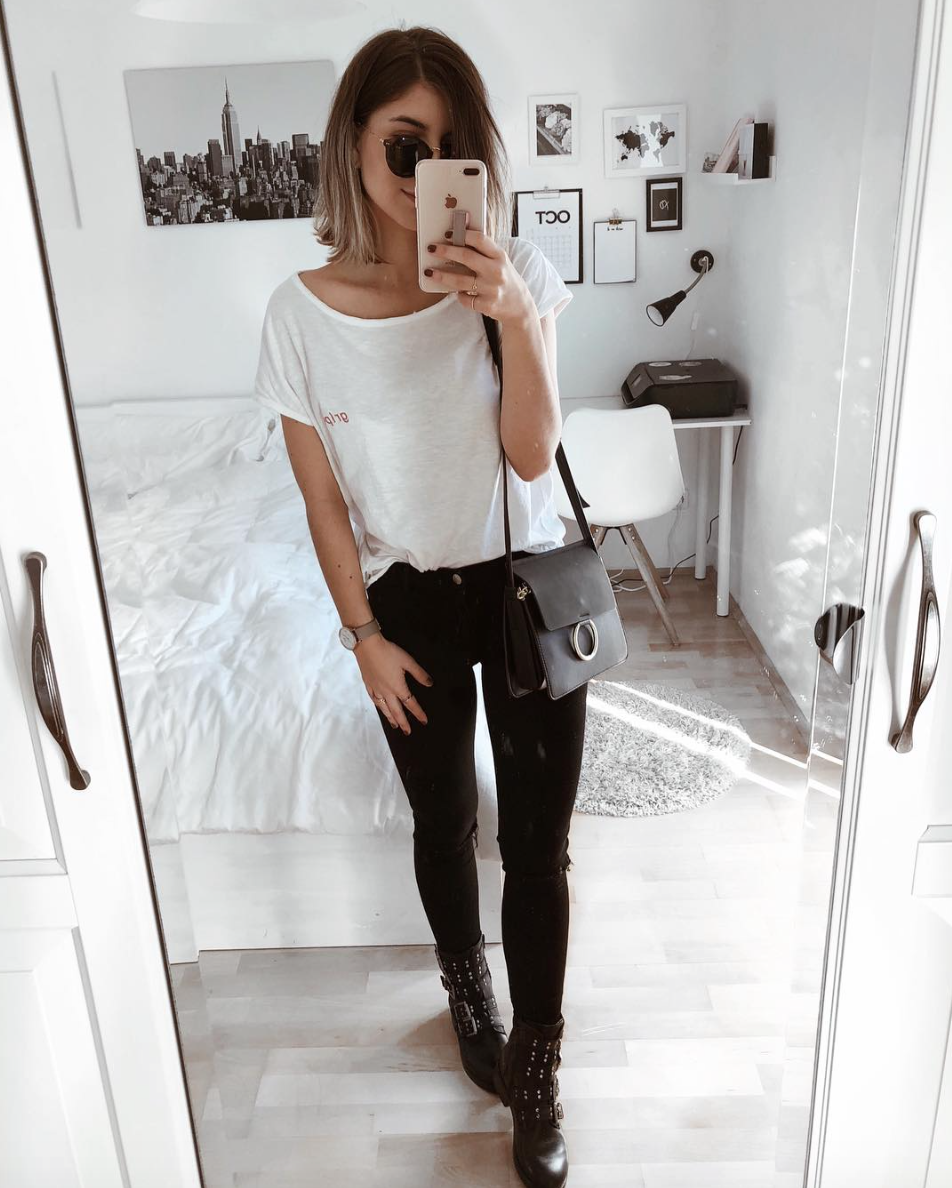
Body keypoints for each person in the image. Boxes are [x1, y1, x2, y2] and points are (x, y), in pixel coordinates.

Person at [253, 26, 586, 1188]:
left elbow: (532, 457)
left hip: (525, 585)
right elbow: (322, 502)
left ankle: (537, 1065)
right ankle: (466, 990)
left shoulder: (518, 272)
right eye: (404, 144)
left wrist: (515, 315)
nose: (422, 172)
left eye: (450, 150)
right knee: (442, 822)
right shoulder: (299, 315)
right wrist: (361, 638)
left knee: (537, 847)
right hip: (408, 602)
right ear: (352, 142)